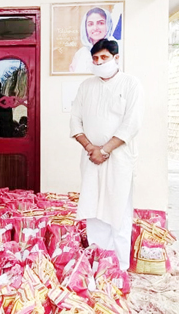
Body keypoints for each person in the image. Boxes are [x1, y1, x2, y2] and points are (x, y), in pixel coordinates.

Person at [69, 39, 143, 271]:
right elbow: (75, 120)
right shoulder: (86, 86)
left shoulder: (131, 84)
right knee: (93, 209)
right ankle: (97, 265)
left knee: (118, 210)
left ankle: (119, 268)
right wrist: (91, 148)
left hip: (119, 159)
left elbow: (132, 123)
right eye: (96, 58)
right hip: (92, 159)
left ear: (116, 58)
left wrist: (105, 149)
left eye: (104, 58)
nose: (99, 62)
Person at [69, 7, 116, 74]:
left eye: (100, 23)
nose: (95, 28)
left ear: (108, 24)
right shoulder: (80, 54)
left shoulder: (117, 50)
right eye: (90, 24)